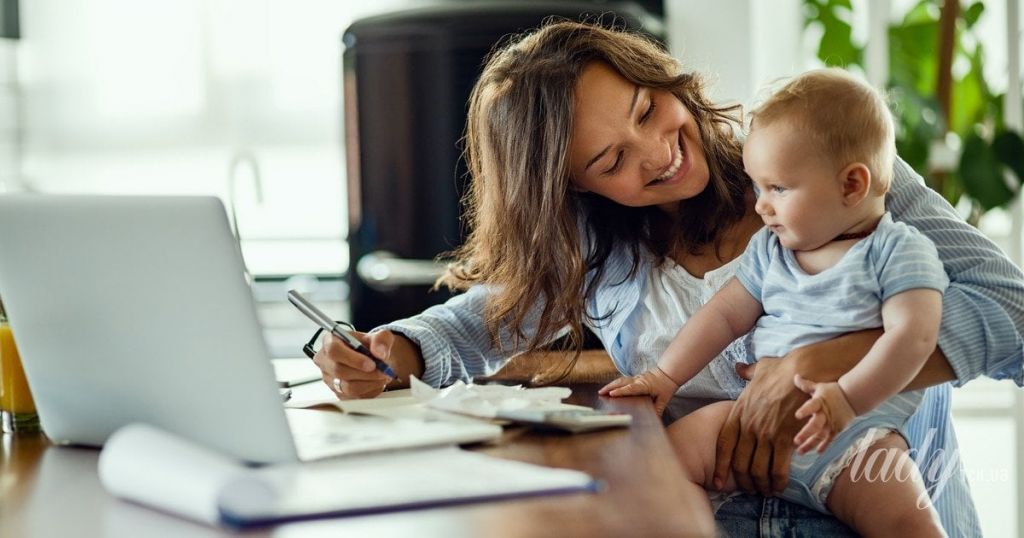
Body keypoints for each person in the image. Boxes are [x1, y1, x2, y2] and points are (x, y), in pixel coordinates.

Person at [312, 20, 1024, 536]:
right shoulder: (599, 244)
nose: (657, 154)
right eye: (610, 162)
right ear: (576, 190)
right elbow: (479, 320)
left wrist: (823, 360)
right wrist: (388, 352)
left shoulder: (827, 170)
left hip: (882, 506)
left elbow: (1013, 315)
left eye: (648, 110)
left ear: (660, 79)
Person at [600, 69, 947, 535]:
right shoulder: (771, 249)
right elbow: (723, 315)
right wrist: (665, 376)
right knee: (659, 464)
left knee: (909, 521)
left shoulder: (898, 251)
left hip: (858, 439)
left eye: (778, 189)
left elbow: (916, 337)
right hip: (750, 423)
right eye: (757, 187)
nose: (761, 206)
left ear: (851, 186)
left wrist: (846, 399)